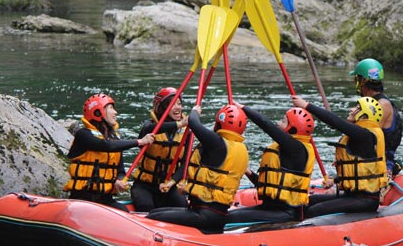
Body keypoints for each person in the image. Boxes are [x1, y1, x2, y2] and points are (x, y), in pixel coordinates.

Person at [146, 104, 249, 233]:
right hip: (211, 212)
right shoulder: (239, 148)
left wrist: (195, 111)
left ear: (219, 123)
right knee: (157, 212)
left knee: (153, 217)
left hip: (206, 215)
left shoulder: (218, 143)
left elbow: (194, 123)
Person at [292, 95, 388, 217]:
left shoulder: (365, 136)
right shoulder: (358, 135)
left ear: (364, 115)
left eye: (357, 107)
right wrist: (335, 179)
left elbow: (335, 122)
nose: (351, 109)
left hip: (366, 199)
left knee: (314, 210)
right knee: (309, 201)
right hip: (351, 195)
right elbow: (358, 171)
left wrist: (306, 106)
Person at [63, 93, 155, 212]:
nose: (115, 112)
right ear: (98, 112)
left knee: (124, 212)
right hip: (82, 198)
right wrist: (139, 141)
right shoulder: (83, 134)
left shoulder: (115, 139)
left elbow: (120, 170)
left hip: (105, 199)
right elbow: (105, 146)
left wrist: (119, 180)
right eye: (111, 108)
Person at [226, 105, 316, 224]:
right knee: (228, 215)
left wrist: (244, 108)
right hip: (271, 208)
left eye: (283, 121)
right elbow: (270, 185)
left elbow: (267, 126)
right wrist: (248, 172)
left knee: (225, 218)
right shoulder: (284, 150)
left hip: (287, 212)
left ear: (292, 128)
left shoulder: (297, 149)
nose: (278, 123)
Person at [130, 87, 189, 212]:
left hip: (169, 186)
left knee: (183, 206)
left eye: (179, 103)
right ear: (162, 108)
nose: (178, 108)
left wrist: (172, 182)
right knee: (146, 207)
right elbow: (153, 128)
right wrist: (179, 124)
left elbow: (185, 163)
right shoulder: (149, 127)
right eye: (172, 104)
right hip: (145, 186)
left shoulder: (187, 132)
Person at [350, 58, 403, 179]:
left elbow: (366, 140)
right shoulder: (370, 104)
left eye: (357, 79)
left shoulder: (381, 106)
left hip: (380, 166)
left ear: (363, 81)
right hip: (368, 163)